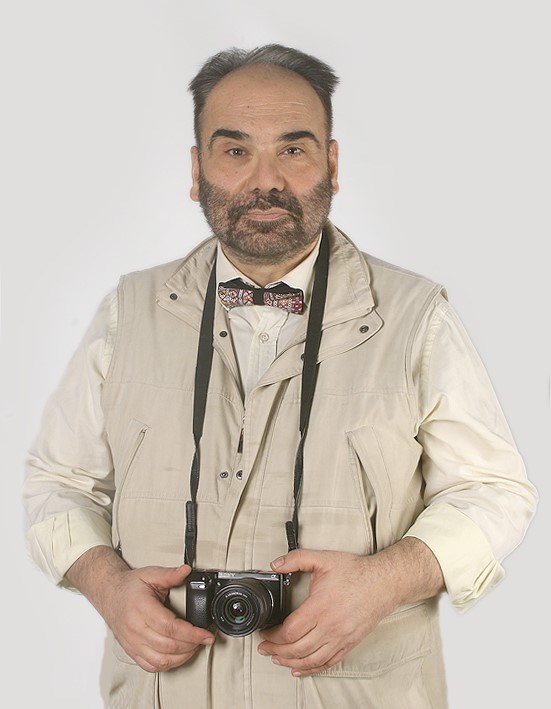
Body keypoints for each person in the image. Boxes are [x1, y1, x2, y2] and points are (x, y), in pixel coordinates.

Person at [23, 44, 537, 709]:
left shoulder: (416, 317)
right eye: (235, 150)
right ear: (196, 170)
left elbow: (493, 492)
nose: (265, 180)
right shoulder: (128, 311)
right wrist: (105, 584)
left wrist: (386, 580)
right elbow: (58, 484)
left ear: (332, 164)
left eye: (292, 149)